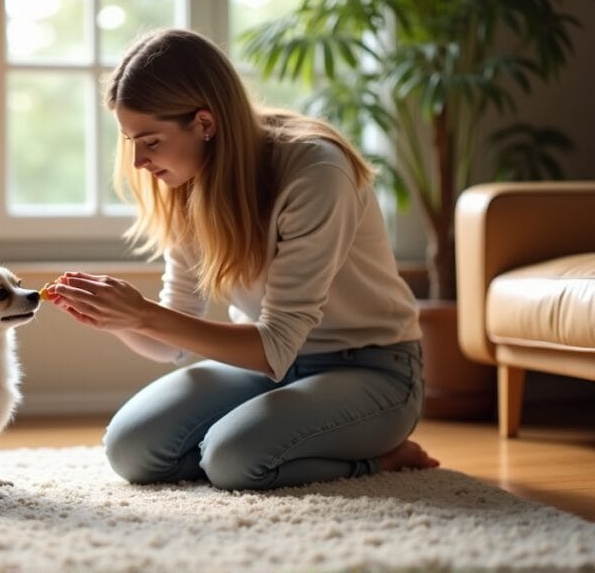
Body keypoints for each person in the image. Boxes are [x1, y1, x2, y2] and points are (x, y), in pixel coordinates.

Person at [46, 28, 440, 491]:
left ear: (205, 123)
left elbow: (274, 347)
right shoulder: (188, 179)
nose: (138, 162)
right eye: (130, 139)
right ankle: (278, 439)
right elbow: (170, 341)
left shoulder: (317, 173)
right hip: (259, 366)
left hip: (370, 368)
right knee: (130, 448)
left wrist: (144, 314)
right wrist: (118, 319)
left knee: (235, 460)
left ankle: (381, 458)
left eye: (150, 141)